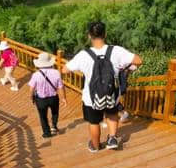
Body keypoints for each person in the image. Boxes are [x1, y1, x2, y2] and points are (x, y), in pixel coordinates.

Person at [62, 21, 142, 153]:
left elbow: (65, 70)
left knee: (94, 122)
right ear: (105, 34)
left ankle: (95, 146)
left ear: (89, 36)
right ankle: (112, 139)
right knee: (112, 114)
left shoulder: (83, 55)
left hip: (90, 97)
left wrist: (84, 69)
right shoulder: (116, 50)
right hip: (111, 93)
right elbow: (138, 60)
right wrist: (123, 68)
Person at [29, 52, 67, 138]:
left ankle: (47, 133)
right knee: (55, 112)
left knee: (43, 116)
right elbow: (61, 87)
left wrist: (31, 97)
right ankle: (54, 126)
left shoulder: (36, 75)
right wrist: (63, 98)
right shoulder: (56, 72)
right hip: (53, 97)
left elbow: (31, 88)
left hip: (41, 99)